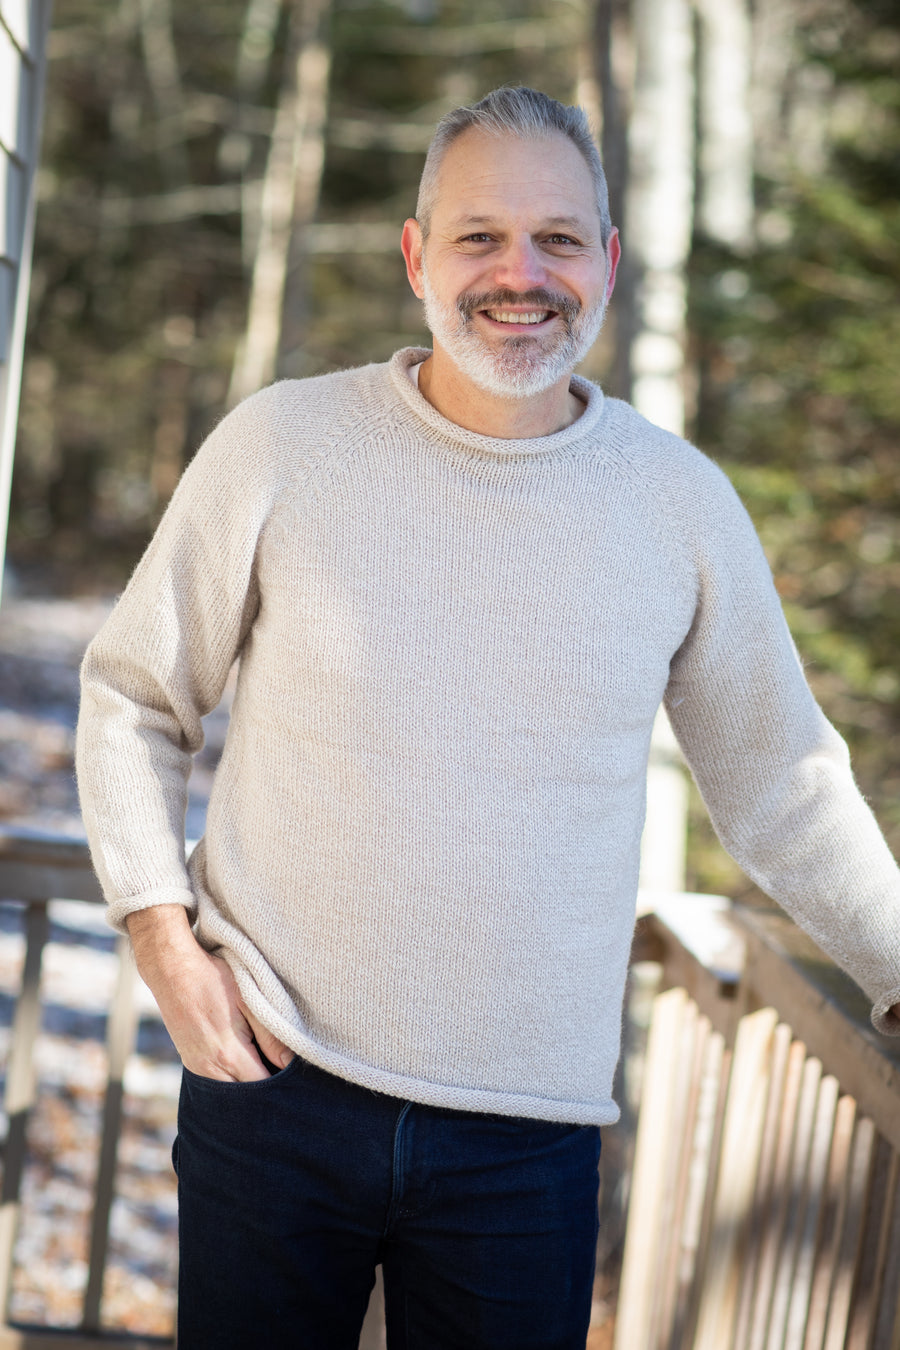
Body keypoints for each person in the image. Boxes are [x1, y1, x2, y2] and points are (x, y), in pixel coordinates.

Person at [75, 86, 900, 1350]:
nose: (521, 274)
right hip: (274, 1091)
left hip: (528, 1141)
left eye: (560, 239)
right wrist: (162, 943)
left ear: (609, 266)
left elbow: (783, 781)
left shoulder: (679, 506)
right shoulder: (283, 444)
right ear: (417, 257)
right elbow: (132, 697)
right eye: (480, 237)